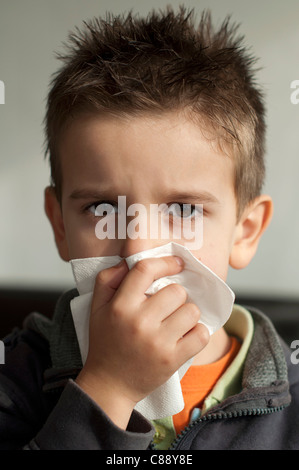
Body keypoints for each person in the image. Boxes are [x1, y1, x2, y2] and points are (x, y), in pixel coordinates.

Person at [1, 6, 298, 450]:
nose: (139, 247)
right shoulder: (15, 378)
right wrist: (108, 389)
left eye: (182, 209)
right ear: (60, 224)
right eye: (103, 208)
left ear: (245, 231)